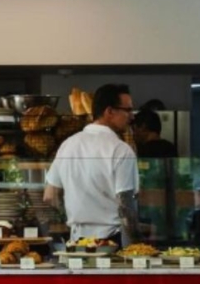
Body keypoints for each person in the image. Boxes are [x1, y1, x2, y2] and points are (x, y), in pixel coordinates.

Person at [44, 84, 140, 246]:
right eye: (128, 110)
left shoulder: (68, 145)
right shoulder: (121, 150)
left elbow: (50, 195)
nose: (132, 116)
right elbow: (126, 206)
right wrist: (134, 248)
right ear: (109, 111)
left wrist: (72, 214)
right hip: (110, 241)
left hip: (77, 241)